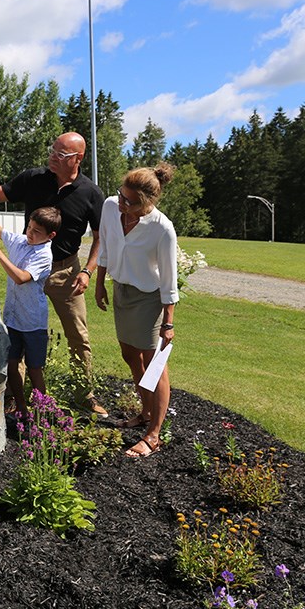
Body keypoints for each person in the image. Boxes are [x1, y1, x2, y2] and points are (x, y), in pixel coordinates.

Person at [0, 131, 107, 415]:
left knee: (78, 335)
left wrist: (89, 271)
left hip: (66, 272)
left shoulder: (91, 193)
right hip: (25, 267)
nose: (52, 157)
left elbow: (101, 236)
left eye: (60, 154)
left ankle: (84, 395)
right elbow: (0, 194)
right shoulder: (33, 178)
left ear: (77, 159)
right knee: (17, 330)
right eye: (52, 150)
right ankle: (14, 398)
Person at [94, 162, 179, 458]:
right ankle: (144, 412)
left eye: (129, 200)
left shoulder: (162, 229)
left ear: (146, 203)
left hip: (149, 298)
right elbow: (105, 244)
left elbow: (169, 280)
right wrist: (100, 281)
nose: (121, 202)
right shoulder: (110, 207)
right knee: (129, 355)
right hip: (122, 290)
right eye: (121, 194)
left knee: (153, 365)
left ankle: (153, 434)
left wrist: (168, 324)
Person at [0, 204, 59, 418]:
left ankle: (43, 412)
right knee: (12, 364)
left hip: (32, 322)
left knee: (34, 369)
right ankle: (22, 408)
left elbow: (21, 278)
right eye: (29, 227)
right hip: (13, 319)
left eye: (36, 231)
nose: (29, 234)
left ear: (50, 235)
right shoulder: (20, 242)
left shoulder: (44, 255)